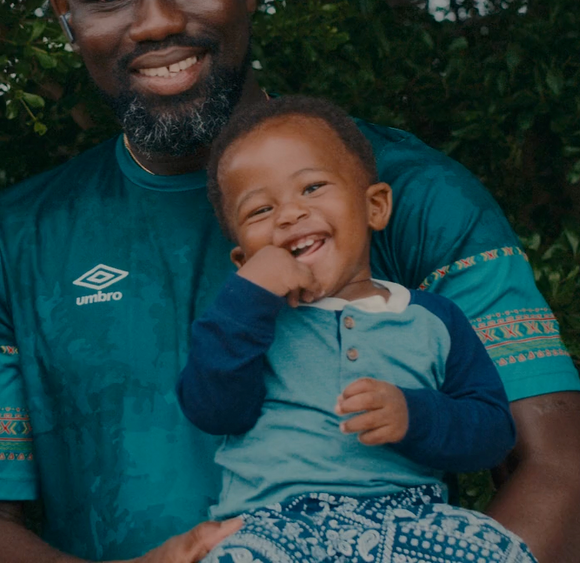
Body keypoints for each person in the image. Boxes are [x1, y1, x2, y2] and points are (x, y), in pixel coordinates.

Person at [0, 0, 580, 563]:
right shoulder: (9, 240)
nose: (156, 23)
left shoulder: (412, 193)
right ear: (65, 11)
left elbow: (562, 480)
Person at [178, 95, 528, 563]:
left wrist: (415, 414)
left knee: (498, 549)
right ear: (244, 259)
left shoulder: (433, 319)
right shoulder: (244, 324)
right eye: (259, 211)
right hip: (275, 524)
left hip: (408, 521)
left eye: (312, 187)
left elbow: (492, 433)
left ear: (375, 206)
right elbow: (214, 409)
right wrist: (248, 298)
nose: (288, 214)